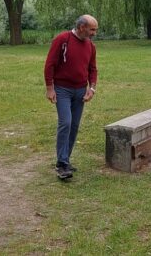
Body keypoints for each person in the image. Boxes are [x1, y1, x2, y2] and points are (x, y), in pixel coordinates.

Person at [44, 15, 98, 180]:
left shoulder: (90, 45)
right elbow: (50, 64)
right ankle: (61, 164)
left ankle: (65, 160)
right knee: (65, 123)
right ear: (82, 27)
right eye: (92, 29)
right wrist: (50, 88)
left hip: (80, 91)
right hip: (63, 90)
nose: (94, 33)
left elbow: (93, 69)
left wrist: (92, 88)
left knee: (74, 126)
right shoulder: (63, 39)